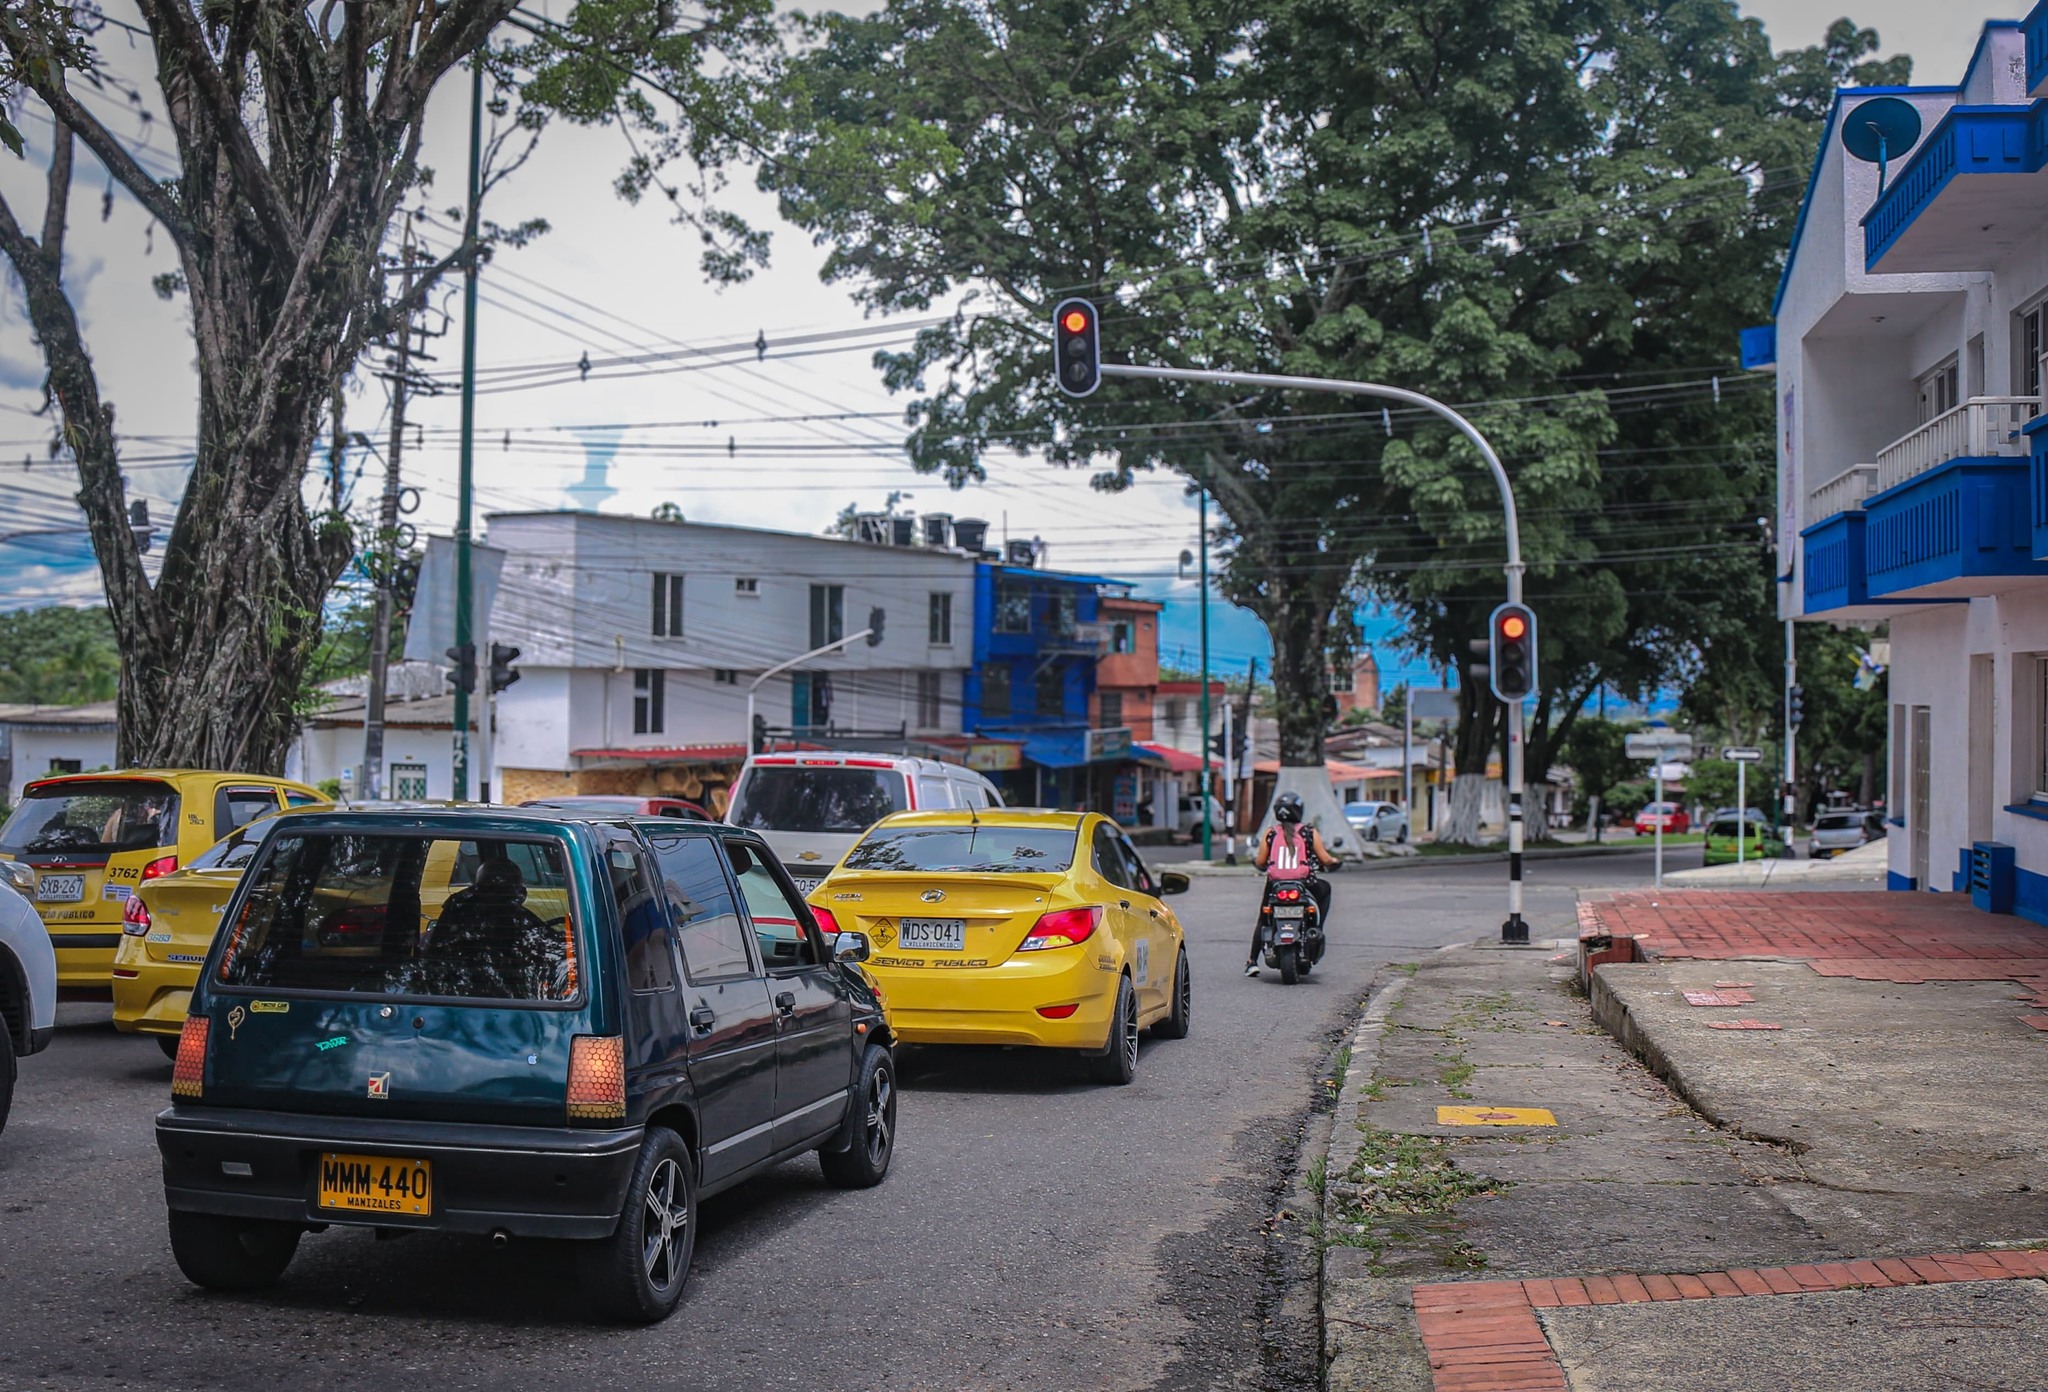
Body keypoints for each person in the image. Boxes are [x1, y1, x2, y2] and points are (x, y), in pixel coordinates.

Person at [1247, 791, 1339, 976]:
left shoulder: (1270, 833)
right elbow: (1326, 859)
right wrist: (1335, 862)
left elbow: (1260, 861)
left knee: (1263, 918)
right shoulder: (1309, 832)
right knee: (1325, 889)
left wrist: (1260, 864)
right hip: (1303, 884)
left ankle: (1252, 962)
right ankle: (1315, 929)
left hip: (1275, 885)